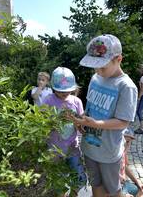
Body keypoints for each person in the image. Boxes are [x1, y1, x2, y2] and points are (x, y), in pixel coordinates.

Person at [70, 34, 138, 197]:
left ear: (118, 59)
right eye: (95, 66)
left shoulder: (126, 86)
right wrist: (82, 120)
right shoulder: (95, 78)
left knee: (113, 190)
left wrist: (95, 124)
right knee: (96, 184)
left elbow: (123, 122)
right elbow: (90, 108)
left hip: (108, 152)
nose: (98, 71)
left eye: (103, 66)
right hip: (89, 147)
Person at [43, 67, 87, 196]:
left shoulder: (76, 102)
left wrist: (77, 122)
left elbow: (81, 127)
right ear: (53, 88)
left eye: (68, 90)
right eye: (61, 90)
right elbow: (42, 123)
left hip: (72, 147)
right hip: (54, 149)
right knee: (58, 180)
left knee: (80, 178)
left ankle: (73, 194)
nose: (64, 93)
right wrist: (55, 120)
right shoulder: (48, 100)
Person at [120, 128, 143, 197]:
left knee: (140, 189)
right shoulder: (113, 156)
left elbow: (125, 167)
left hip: (124, 184)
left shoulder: (123, 154)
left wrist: (137, 181)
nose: (126, 144)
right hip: (115, 187)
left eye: (128, 142)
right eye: (123, 141)